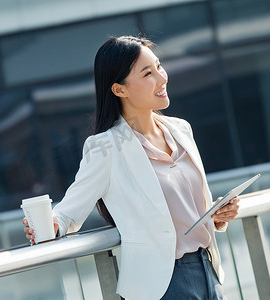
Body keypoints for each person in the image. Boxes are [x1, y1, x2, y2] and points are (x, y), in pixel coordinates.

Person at [23, 36, 240, 300]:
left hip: (209, 271)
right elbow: (68, 214)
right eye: (148, 73)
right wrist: (47, 226)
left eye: (159, 66)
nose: (162, 78)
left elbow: (183, 207)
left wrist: (217, 215)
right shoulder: (106, 147)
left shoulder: (181, 130)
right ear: (119, 89)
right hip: (162, 285)